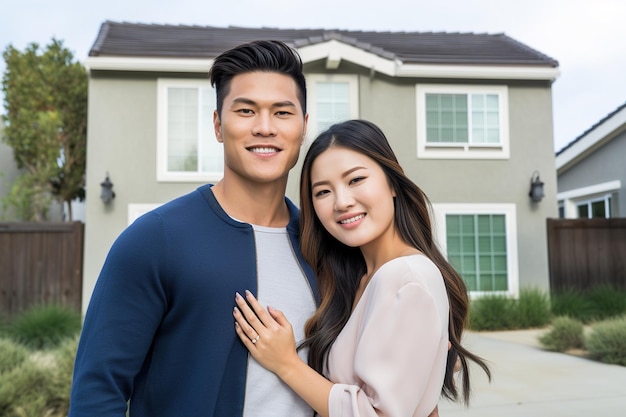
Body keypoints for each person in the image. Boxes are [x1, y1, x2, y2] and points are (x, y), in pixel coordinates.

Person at [68, 40, 320, 417]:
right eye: (246, 110)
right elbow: (96, 391)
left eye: (282, 112)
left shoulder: (323, 246)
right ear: (219, 125)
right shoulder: (155, 239)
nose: (265, 127)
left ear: (303, 126)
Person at [233, 119, 491, 417]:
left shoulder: (405, 278)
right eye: (323, 192)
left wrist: (286, 364)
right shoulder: (360, 279)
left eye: (355, 180)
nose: (342, 202)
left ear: (392, 183)